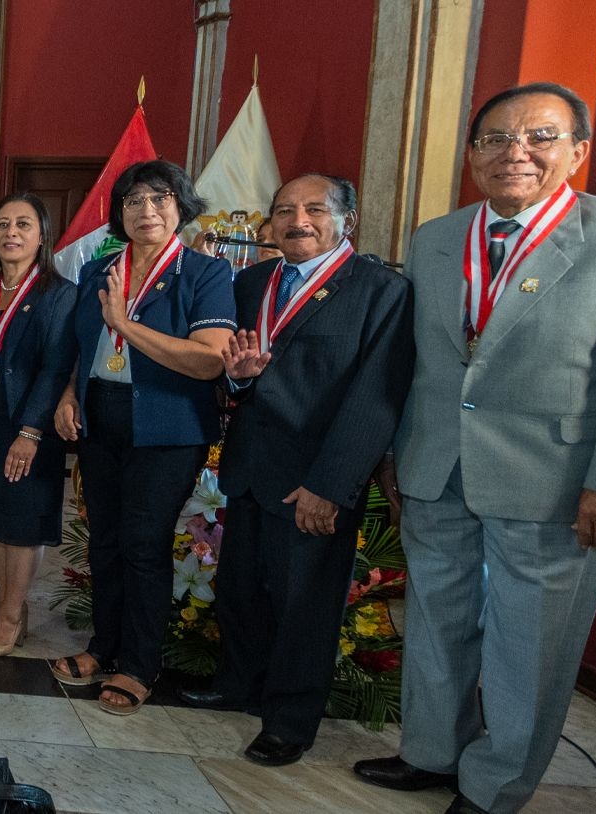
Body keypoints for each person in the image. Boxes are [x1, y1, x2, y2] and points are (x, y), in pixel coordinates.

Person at [354, 82, 596, 814]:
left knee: (528, 645)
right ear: (472, 154)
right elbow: (427, 363)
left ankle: (497, 783)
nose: (516, 153)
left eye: (539, 136)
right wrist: (400, 453)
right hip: (438, 468)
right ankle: (431, 753)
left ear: (579, 151)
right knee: (437, 621)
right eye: (496, 139)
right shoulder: (437, 236)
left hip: (558, 480)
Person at [179, 174, 414, 766]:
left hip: (315, 479)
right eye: (284, 210)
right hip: (251, 467)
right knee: (242, 588)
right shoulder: (253, 280)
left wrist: (331, 486)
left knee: (304, 603)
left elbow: (376, 397)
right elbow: (233, 371)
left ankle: (289, 720)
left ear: (346, 220)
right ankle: (239, 684)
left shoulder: (380, 290)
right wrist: (239, 377)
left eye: (315, 209)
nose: (298, 221)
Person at [51, 159, 235, 715]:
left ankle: (138, 664)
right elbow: (82, 346)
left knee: (143, 544)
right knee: (104, 538)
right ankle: (103, 647)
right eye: (133, 201)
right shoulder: (97, 272)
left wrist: (126, 324)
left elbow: (208, 362)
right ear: (120, 212)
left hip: (168, 426)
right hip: (101, 414)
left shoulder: (205, 274)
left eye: (159, 199)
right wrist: (67, 395)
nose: (146, 211)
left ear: (181, 208)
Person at [0, 192, 76, 656]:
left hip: (30, 424)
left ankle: (10, 615)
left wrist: (30, 432)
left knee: (22, 522)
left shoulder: (59, 295)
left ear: (42, 236)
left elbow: (56, 368)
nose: (11, 233)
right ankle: (6, 606)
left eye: (24, 225)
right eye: (3, 224)